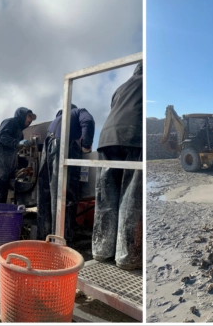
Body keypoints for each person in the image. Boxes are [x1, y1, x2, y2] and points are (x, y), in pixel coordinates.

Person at [92, 62, 143, 270]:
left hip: (107, 138)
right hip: (132, 136)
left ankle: (102, 251)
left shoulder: (120, 87)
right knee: (130, 198)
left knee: (106, 197)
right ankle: (126, 257)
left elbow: (115, 109)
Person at [37, 104, 95, 242]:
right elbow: (88, 121)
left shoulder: (55, 122)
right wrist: (86, 145)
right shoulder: (79, 111)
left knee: (47, 194)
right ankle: (64, 238)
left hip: (48, 148)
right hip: (63, 147)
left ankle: (44, 236)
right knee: (65, 193)